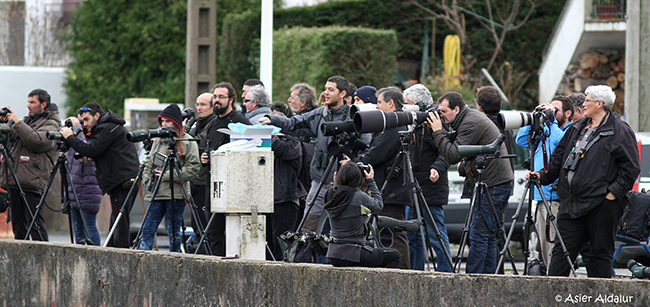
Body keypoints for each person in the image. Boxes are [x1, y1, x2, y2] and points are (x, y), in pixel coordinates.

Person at [527, 85, 639, 278]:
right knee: (561, 255)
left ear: (600, 104)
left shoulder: (619, 130)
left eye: (587, 100)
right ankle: (554, 298)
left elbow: (631, 168)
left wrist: (612, 194)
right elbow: (559, 159)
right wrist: (542, 176)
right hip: (571, 204)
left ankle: (601, 300)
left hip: (601, 206)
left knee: (599, 256)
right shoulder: (577, 128)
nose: (583, 104)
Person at [426, 91, 513, 274]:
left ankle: (472, 280)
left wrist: (437, 131)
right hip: (493, 182)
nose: (441, 115)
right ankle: (489, 279)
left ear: (456, 109)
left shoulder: (470, 122)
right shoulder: (467, 118)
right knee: (487, 235)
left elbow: (452, 154)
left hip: (493, 184)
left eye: (443, 111)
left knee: (479, 234)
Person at [258, 76, 357, 234]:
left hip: (346, 186)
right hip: (320, 183)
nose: (326, 93)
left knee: (345, 232)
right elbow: (292, 124)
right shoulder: (319, 115)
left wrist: (352, 163)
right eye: (325, 89)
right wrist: (270, 119)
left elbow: (365, 148)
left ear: (343, 93)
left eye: (331, 89)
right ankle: (307, 259)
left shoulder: (354, 117)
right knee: (307, 233)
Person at [61, 102, 140, 248]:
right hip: (121, 179)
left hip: (122, 180)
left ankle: (120, 254)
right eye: (81, 121)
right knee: (117, 218)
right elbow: (105, 151)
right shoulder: (109, 126)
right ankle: (112, 250)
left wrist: (70, 136)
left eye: (86, 120)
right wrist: (94, 156)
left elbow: (91, 149)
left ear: (97, 116)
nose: (84, 124)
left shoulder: (107, 127)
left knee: (119, 219)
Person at [515, 95, 574, 270]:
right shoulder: (547, 131)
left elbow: (560, 142)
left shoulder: (568, 131)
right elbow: (520, 140)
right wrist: (534, 117)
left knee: (554, 246)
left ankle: (558, 284)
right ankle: (550, 279)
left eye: (555, 111)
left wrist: (551, 122)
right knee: (544, 245)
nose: (551, 114)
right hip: (541, 196)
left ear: (568, 113)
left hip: (555, 197)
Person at [358, 86, 412, 269]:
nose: (376, 107)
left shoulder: (394, 126)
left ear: (390, 103)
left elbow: (376, 154)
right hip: (389, 190)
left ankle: (403, 274)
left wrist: (357, 163)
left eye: (379, 102)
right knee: (387, 235)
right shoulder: (390, 126)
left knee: (394, 235)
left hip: (391, 191)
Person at [402, 84, 452, 272]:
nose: (405, 109)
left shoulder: (432, 122)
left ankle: (445, 272)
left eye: (407, 105)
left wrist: (436, 168)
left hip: (430, 187)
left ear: (418, 104)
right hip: (414, 186)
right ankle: (416, 271)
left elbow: (446, 151)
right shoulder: (415, 123)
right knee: (412, 235)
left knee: (436, 234)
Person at [0, 88, 60, 241]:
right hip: (16, 179)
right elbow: (13, 140)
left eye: (32, 102)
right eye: (28, 101)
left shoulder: (52, 124)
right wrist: (6, 123)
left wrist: (18, 123)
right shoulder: (28, 121)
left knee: (35, 224)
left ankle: (43, 260)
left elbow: (37, 141)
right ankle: (21, 261)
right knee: (19, 225)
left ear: (43, 105)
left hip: (32, 181)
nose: (28, 105)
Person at [139, 104, 200, 252]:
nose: (164, 125)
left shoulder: (187, 141)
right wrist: (147, 178)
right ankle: (142, 259)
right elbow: (149, 161)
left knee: (174, 233)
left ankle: (175, 260)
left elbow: (193, 167)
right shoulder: (158, 141)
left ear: (176, 123)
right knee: (147, 230)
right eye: (162, 121)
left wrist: (166, 176)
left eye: (168, 121)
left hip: (176, 193)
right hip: (157, 192)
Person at [200, 82, 251, 255]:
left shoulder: (240, 121)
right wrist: (204, 158)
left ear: (231, 99)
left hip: (233, 185)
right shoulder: (213, 123)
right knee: (213, 230)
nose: (217, 101)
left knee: (232, 228)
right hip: (212, 182)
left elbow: (249, 150)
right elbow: (209, 149)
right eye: (215, 97)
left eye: (221, 97)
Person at [325, 161, 401, 268]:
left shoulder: (329, 194)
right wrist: (370, 181)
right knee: (395, 255)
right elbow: (378, 205)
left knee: (369, 245)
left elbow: (339, 190)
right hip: (354, 254)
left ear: (337, 176)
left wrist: (336, 181)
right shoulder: (358, 196)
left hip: (334, 254)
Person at [268, 122, 307, 260]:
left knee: (282, 244)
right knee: (268, 244)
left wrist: (269, 135)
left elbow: (280, 149)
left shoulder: (293, 143)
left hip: (286, 200)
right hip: (267, 199)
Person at [64, 120, 102, 246]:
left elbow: (86, 149)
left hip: (89, 189)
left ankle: (96, 257)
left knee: (89, 227)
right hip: (73, 188)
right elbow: (55, 146)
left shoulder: (96, 137)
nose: (83, 123)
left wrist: (77, 129)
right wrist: (64, 129)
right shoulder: (74, 137)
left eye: (85, 120)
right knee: (77, 230)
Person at [188, 92, 216, 250]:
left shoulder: (212, 124)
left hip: (205, 182)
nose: (199, 108)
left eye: (203, 105)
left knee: (204, 226)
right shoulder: (198, 124)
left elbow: (195, 143)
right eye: (197, 104)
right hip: (196, 181)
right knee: (196, 224)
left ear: (213, 107)